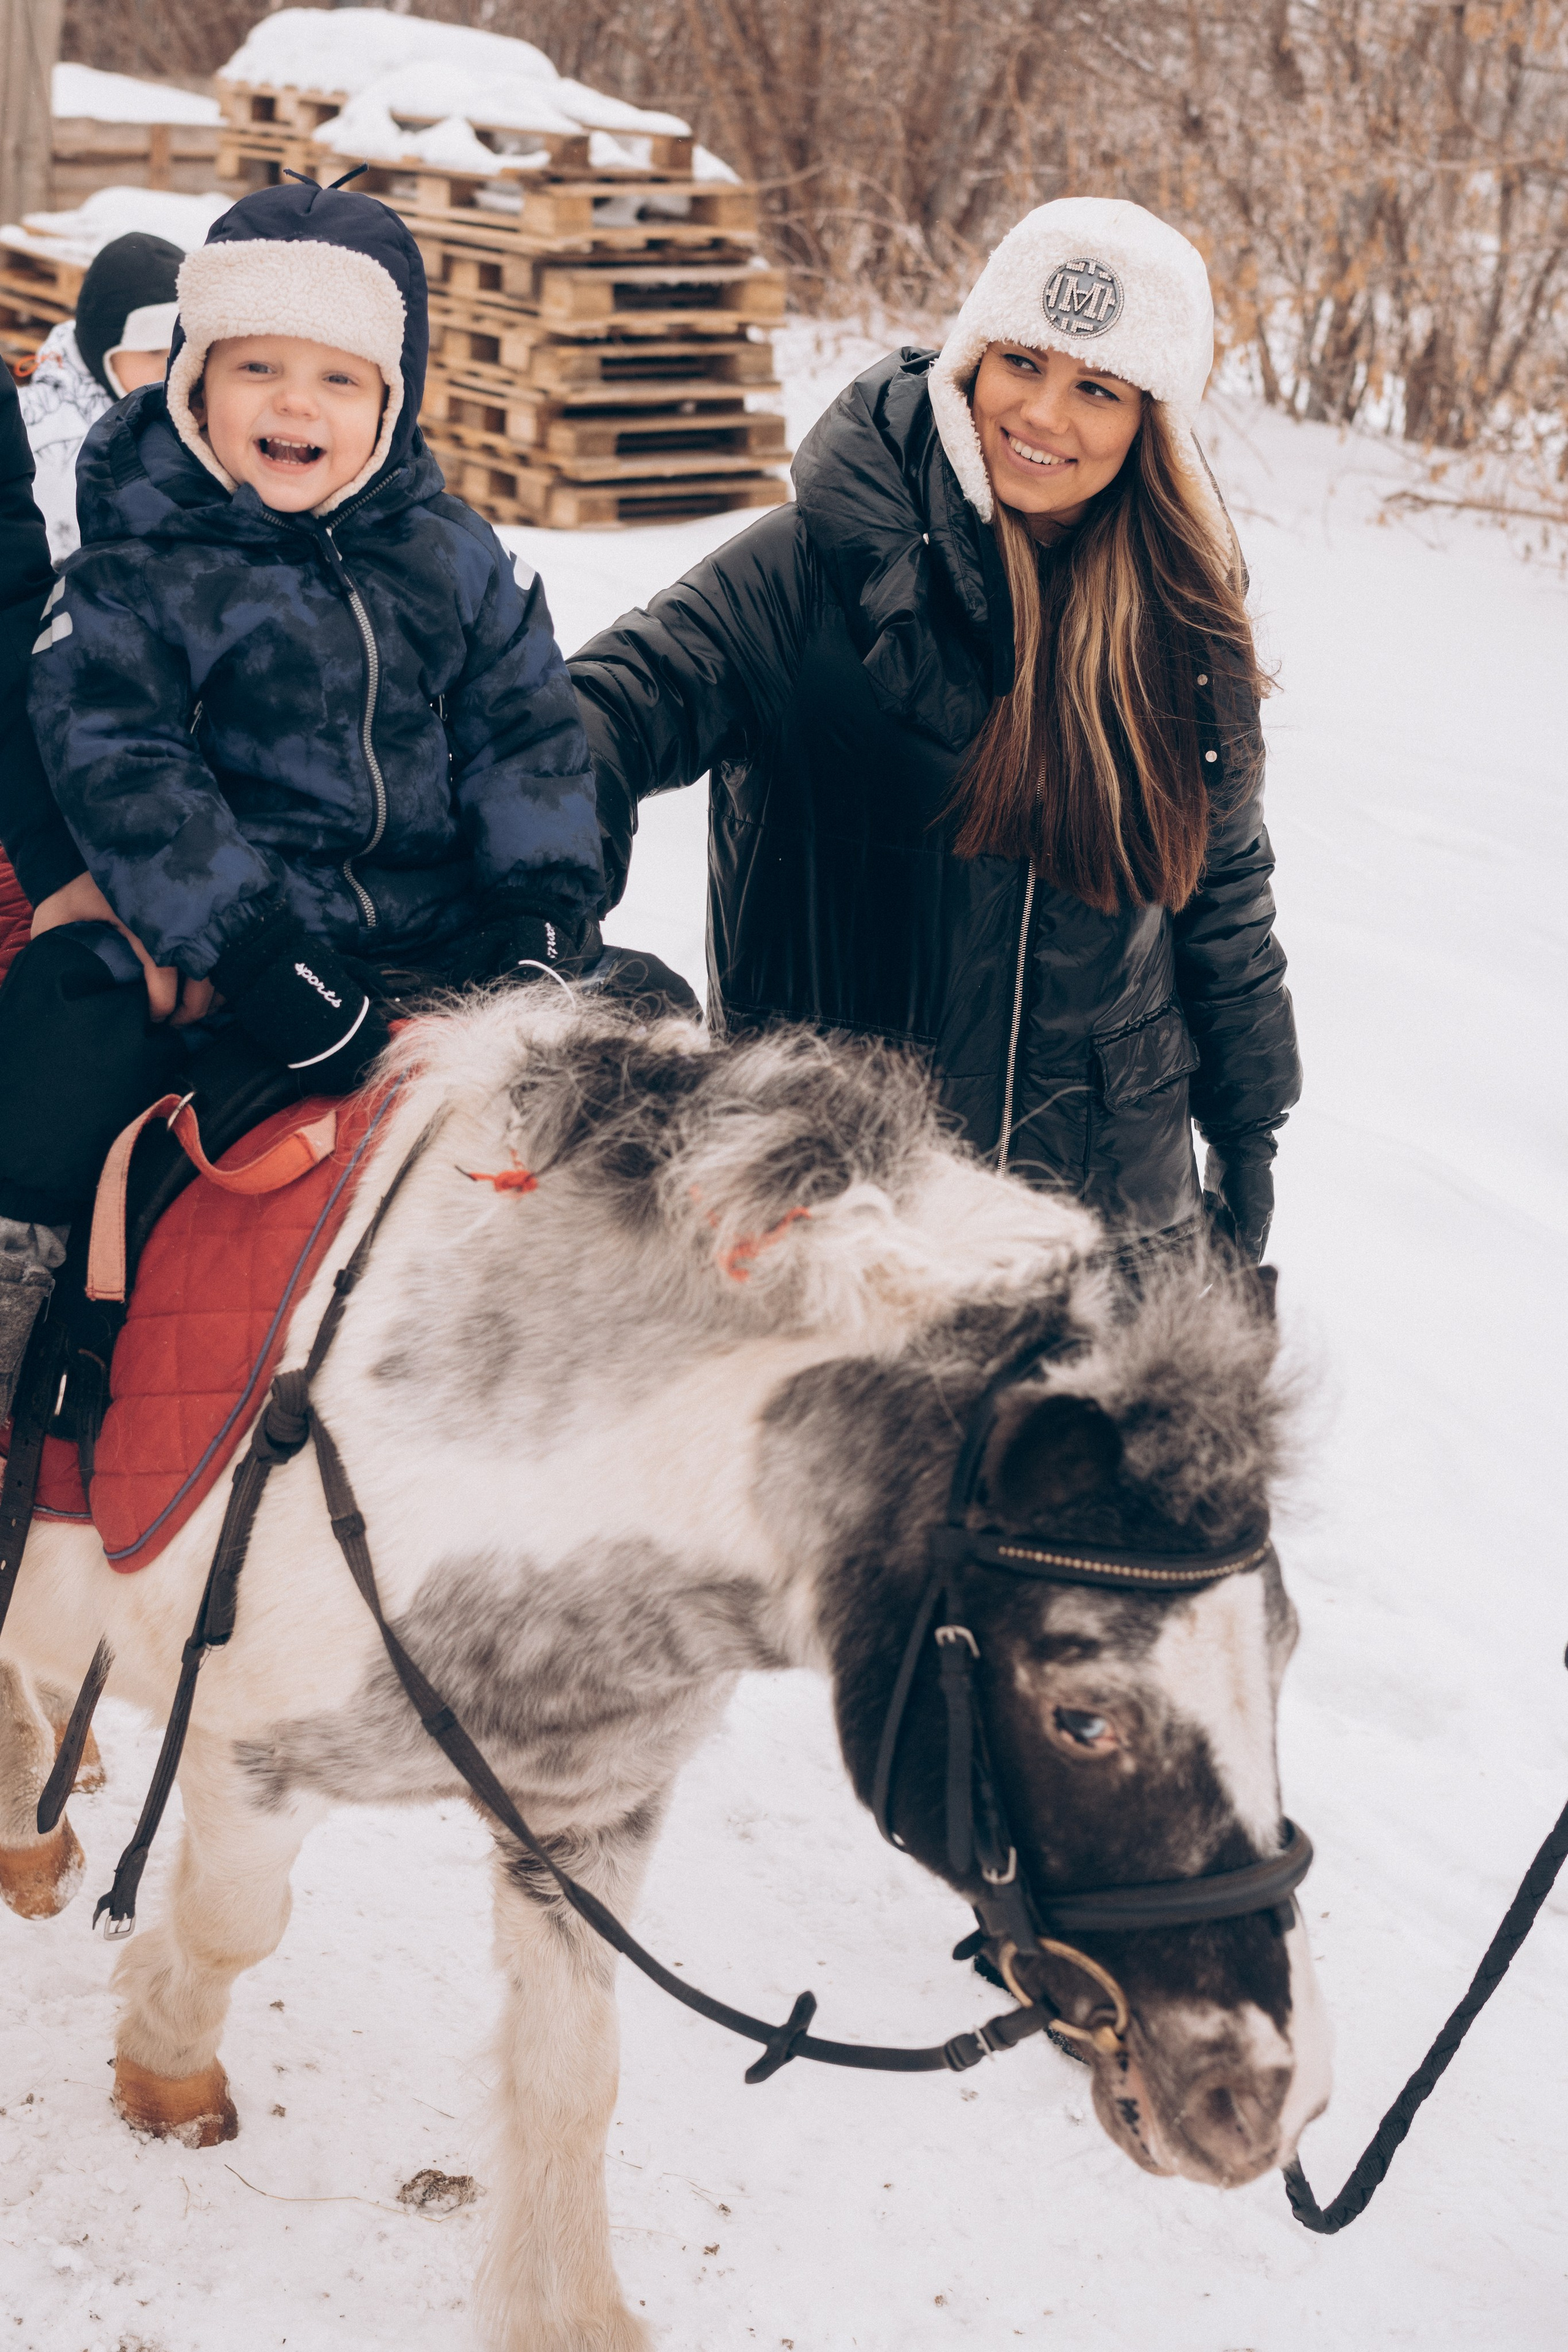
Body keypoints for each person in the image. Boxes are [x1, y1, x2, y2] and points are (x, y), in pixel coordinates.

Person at [571, 196, 1299, 1262]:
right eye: (1022, 364)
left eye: (1096, 387)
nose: (1045, 415)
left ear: (1152, 422)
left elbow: (1223, 898)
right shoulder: (815, 568)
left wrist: (1249, 1129)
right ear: (970, 360)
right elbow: (585, 726)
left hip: (1105, 1219)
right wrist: (564, 953)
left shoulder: (1180, 619)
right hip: (849, 1214)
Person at [0, 175, 602, 1417]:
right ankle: (23, 1282)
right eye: (257, 366)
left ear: (391, 400)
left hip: (437, 947)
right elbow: (121, 758)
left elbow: (526, 735)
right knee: (68, 1011)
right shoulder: (140, 563)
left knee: (645, 1012)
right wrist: (256, 951)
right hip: (234, 956)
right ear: (192, 380)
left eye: (338, 376)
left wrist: (542, 918)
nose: (294, 403)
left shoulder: (454, 556)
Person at [17, 231, 185, 561]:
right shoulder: (35, 435)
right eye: (152, 351)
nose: (170, 369)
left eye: (182, 350)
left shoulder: (193, 419)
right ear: (102, 353)